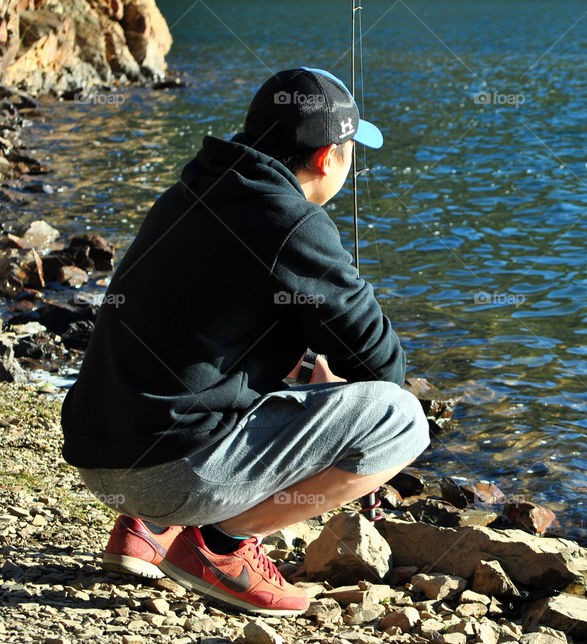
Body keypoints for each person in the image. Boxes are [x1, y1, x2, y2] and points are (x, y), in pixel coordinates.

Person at [59, 67, 430, 616]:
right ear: (329, 157)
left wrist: (309, 372)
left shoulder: (196, 185)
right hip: (162, 472)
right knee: (400, 420)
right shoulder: (291, 222)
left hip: (98, 449)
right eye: (352, 151)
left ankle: (147, 528)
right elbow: (384, 367)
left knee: (219, 360)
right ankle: (219, 545)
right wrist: (331, 395)